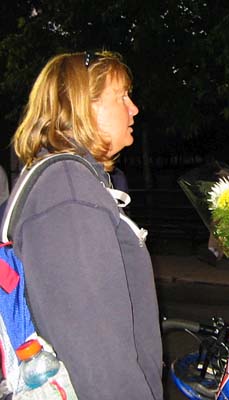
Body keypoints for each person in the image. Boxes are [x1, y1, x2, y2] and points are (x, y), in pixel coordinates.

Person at [2, 51, 163, 399]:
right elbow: (99, 357)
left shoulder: (69, 180)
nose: (134, 109)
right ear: (82, 107)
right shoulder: (68, 190)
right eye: (121, 97)